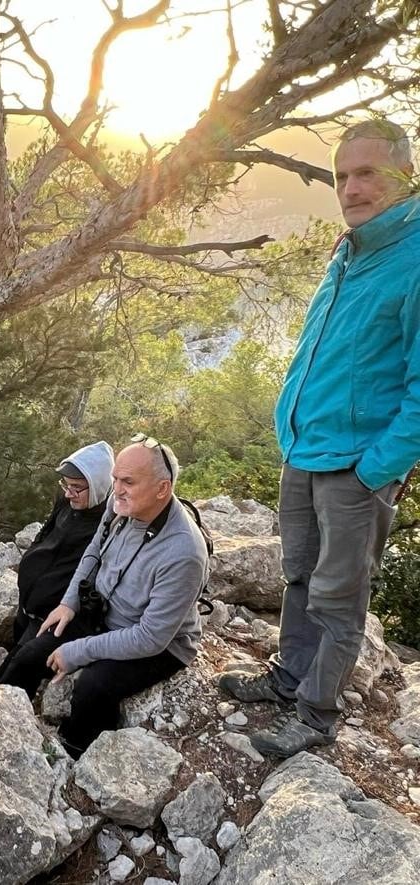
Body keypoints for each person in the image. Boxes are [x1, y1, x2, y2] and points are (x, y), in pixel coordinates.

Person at [220, 119, 420, 757]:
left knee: (339, 597)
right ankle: (289, 678)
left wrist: (377, 467)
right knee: (299, 578)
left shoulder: (413, 257)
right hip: (304, 450)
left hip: (356, 465)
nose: (352, 188)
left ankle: (316, 714)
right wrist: (289, 428)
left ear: (404, 177)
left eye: (368, 174)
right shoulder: (350, 247)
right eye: (342, 176)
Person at [40, 438, 209, 756]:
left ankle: (74, 753)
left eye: (128, 481)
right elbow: (94, 549)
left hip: (161, 644)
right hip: (108, 612)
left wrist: (79, 651)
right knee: (36, 648)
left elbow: (151, 638)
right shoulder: (121, 503)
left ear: (162, 488)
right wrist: (69, 602)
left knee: (93, 686)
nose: (116, 489)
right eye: (116, 478)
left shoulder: (184, 552)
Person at [0, 441, 115, 697]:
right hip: (29, 603)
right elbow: (47, 531)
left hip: (58, 613)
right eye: (66, 485)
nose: (69, 493)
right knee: (12, 659)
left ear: (98, 486)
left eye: (77, 488)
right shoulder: (66, 500)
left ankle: (11, 718)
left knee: (17, 670)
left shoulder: (110, 523)